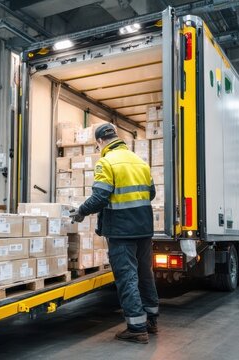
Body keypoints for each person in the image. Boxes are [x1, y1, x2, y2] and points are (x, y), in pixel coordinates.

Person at [70, 123, 159, 344]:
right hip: (144, 228)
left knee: (127, 276)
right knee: (145, 273)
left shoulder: (106, 162)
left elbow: (100, 197)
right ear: (117, 137)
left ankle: (136, 328)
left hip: (121, 230)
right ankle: (151, 320)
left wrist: (81, 211)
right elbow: (152, 193)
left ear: (100, 142)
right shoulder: (140, 162)